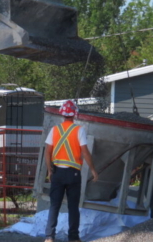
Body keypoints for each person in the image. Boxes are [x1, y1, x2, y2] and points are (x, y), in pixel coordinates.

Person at [44, 100, 98, 242]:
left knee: (54, 205)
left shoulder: (54, 130)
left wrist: (49, 170)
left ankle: (49, 237)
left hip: (57, 173)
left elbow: (47, 152)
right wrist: (93, 170)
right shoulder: (79, 130)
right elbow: (85, 152)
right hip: (73, 174)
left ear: (62, 114)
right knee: (73, 207)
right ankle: (73, 237)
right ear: (74, 114)